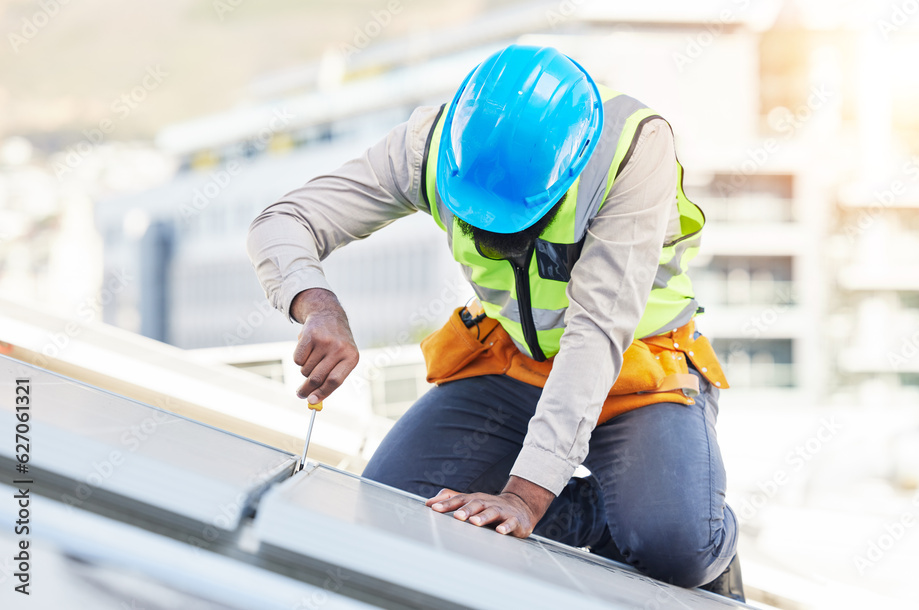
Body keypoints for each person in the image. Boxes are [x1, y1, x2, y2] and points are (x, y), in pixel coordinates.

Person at [247, 44, 743, 599]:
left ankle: (654, 518)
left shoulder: (631, 150)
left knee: (672, 545)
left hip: (637, 372)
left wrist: (526, 497)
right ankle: (589, 514)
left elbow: (596, 334)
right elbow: (286, 219)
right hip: (514, 364)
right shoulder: (430, 144)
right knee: (397, 503)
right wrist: (318, 305)